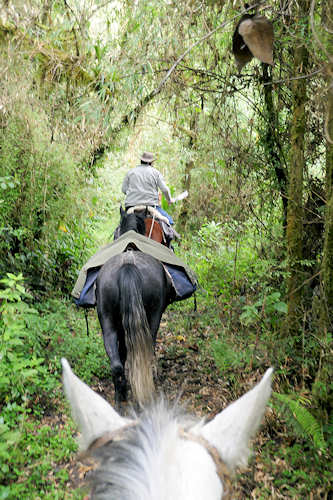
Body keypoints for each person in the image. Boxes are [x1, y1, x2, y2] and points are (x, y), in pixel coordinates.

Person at [121, 151, 174, 224]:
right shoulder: (155, 173)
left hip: (131, 207)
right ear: (151, 163)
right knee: (169, 222)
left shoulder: (130, 172)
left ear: (141, 161)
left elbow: (124, 190)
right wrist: (169, 200)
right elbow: (164, 190)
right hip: (151, 207)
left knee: (122, 226)